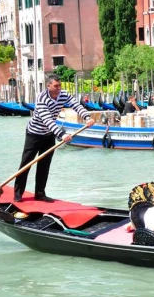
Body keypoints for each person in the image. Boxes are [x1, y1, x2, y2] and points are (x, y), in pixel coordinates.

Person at [13, 74, 95, 203]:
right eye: (56, 86)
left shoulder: (63, 94)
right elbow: (47, 121)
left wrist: (87, 117)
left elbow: (76, 105)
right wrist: (61, 134)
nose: (59, 88)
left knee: (44, 165)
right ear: (48, 86)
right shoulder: (41, 98)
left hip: (48, 135)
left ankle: (40, 194)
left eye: (60, 85)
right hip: (34, 134)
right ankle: (18, 193)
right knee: (26, 163)